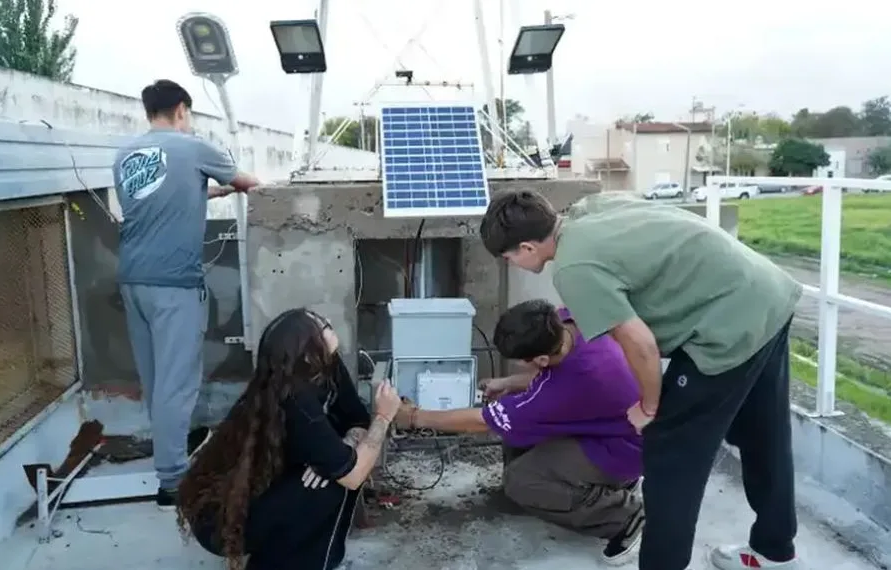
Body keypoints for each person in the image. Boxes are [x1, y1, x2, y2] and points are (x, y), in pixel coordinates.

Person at [479, 190, 803, 570]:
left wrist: (649, 406)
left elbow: (641, 344)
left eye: (509, 256)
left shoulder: (571, 268)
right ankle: (775, 549)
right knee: (763, 435)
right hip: (766, 293)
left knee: (670, 458)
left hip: (726, 328)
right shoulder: (592, 207)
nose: (512, 264)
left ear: (528, 246)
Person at [393, 299, 645, 565]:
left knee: (520, 480)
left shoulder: (568, 386)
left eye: (522, 362)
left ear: (542, 359)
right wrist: (509, 383)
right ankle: (591, 488)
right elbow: (558, 380)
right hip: (612, 423)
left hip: (623, 448)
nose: (522, 366)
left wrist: (413, 417)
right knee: (518, 436)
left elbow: (482, 421)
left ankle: (624, 517)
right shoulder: (572, 319)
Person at [113, 79, 261, 508]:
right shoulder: (192, 146)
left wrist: (214, 190)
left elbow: (166, 197)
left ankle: (168, 453)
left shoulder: (127, 156)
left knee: (156, 378)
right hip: (174, 284)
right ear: (181, 110)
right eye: (189, 114)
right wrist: (237, 183)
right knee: (177, 384)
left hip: (133, 280)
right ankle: (173, 480)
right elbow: (249, 181)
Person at [175, 308, 401, 570]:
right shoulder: (295, 400)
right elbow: (353, 475)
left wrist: (348, 443)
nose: (330, 325)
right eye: (324, 326)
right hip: (221, 519)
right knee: (333, 482)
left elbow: (356, 419)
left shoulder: (326, 366)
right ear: (307, 351)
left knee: (335, 467)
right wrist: (384, 417)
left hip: (264, 491)